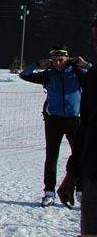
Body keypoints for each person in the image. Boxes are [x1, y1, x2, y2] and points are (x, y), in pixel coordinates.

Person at [20, 44, 90, 207]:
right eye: (54, 60)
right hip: (53, 120)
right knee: (51, 156)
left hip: (74, 120)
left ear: (68, 58)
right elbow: (23, 75)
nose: (58, 63)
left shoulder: (78, 73)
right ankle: (49, 192)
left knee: (79, 156)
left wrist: (86, 65)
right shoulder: (48, 74)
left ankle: (80, 190)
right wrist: (37, 64)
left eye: (61, 59)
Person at [58, 15, 97, 237]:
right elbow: (86, 128)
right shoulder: (94, 77)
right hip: (94, 176)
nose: (93, 42)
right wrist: (72, 174)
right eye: (94, 36)